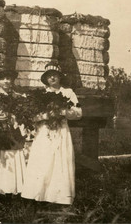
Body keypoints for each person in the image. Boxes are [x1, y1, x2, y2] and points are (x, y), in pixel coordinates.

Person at [21, 62, 82, 205]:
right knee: (43, 161)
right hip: (44, 131)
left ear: (60, 77)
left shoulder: (68, 93)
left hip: (61, 130)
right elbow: (31, 116)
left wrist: (62, 112)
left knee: (60, 161)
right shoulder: (41, 94)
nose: (52, 78)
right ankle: (40, 195)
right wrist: (45, 116)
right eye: (49, 76)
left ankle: (59, 197)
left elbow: (78, 113)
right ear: (46, 79)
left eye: (55, 75)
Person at [0, 69, 27, 197]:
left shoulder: (18, 97)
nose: (6, 81)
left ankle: (13, 190)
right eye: (3, 79)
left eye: (8, 79)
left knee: (12, 157)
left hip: (12, 132)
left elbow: (23, 115)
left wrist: (12, 116)